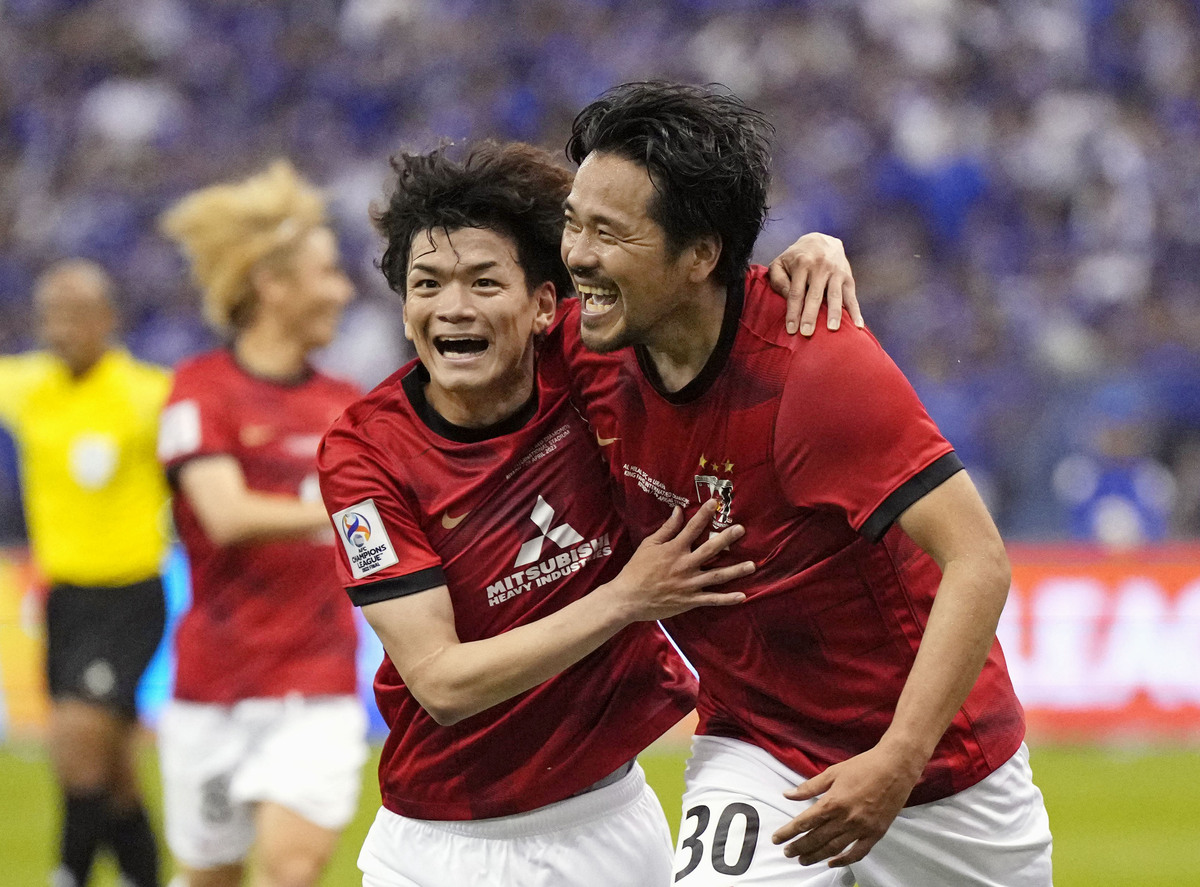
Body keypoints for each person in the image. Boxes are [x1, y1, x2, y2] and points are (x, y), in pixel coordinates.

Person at [315, 141, 856, 887]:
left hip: (606, 824)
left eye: (483, 281)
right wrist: (628, 599)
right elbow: (440, 683)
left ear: (544, 306)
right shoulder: (363, 452)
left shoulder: (593, 358)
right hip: (435, 846)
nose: (453, 306)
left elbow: (697, 301)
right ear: (406, 311)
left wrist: (800, 260)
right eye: (428, 284)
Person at [559, 81, 1053, 886]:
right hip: (757, 744)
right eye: (574, 223)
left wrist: (896, 759)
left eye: (607, 233)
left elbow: (979, 560)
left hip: (939, 769)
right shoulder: (589, 342)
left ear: (700, 255)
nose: (576, 253)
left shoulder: (818, 370)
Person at [155, 161, 367, 887]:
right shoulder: (200, 388)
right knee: (211, 874)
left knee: (291, 867)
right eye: (328, 273)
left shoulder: (350, 407)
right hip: (212, 686)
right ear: (273, 285)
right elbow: (226, 514)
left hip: (317, 682)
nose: (343, 290)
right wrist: (347, 512)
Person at [0, 260, 168, 887]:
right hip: (64, 599)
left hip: (128, 598)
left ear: (106, 319)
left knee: (76, 746)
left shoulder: (148, 394)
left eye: (72, 313)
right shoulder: (30, 387)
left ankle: (66, 873)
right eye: (48, 314)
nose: (57, 327)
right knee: (116, 771)